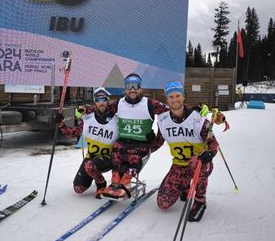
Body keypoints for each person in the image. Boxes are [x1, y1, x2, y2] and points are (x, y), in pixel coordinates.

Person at [86, 73, 169, 200]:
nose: (132, 89)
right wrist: (84, 111)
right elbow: (101, 108)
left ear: (141, 88)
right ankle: (115, 181)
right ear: (125, 88)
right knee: (116, 151)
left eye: (136, 86)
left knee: (134, 157)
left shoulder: (150, 104)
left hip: (141, 144)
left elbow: (168, 116)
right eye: (129, 86)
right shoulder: (119, 103)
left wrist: (156, 142)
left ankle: (125, 182)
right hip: (123, 142)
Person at [152, 81, 219, 222]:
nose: (175, 99)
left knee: (196, 162)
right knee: (163, 203)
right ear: (167, 99)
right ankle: (184, 186)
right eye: (171, 97)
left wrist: (210, 154)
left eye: (177, 95)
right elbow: (158, 141)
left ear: (183, 97)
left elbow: (213, 143)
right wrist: (146, 145)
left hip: (199, 163)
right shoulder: (163, 119)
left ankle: (200, 201)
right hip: (179, 165)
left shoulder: (197, 118)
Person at [55, 87, 118, 198]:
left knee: (89, 165)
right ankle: (94, 174)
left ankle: (101, 184)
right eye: (98, 100)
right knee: (78, 189)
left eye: (104, 99)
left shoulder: (116, 120)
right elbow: (73, 133)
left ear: (108, 101)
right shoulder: (88, 118)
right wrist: (61, 125)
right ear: (95, 102)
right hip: (91, 158)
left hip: (108, 159)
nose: (101, 103)